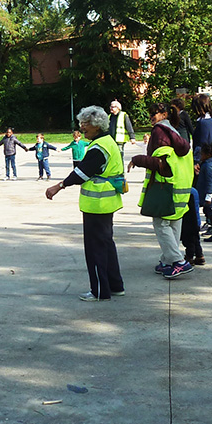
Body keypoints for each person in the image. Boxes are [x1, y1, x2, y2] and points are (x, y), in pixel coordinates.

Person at [45, 106, 125, 301]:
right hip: (107, 203)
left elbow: (81, 173)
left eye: (85, 124)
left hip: (97, 205)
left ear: (96, 126)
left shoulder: (98, 147)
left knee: (95, 248)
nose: (82, 128)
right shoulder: (108, 141)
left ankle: (99, 291)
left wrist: (59, 186)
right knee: (106, 244)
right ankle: (115, 286)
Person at [127, 102, 194, 280]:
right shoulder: (175, 131)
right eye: (150, 114)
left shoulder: (159, 132)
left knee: (161, 223)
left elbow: (161, 164)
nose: (151, 117)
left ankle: (178, 262)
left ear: (164, 114)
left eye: (154, 113)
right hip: (181, 186)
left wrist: (138, 159)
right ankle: (167, 260)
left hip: (166, 186)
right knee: (174, 223)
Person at [108, 100, 136, 169]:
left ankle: (121, 173)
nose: (111, 108)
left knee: (119, 157)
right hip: (111, 141)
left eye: (113, 107)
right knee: (111, 158)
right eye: (110, 106)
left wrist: (132, 137)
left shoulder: (123, 115)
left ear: (118, 108)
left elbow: (129, 126)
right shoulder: (109, 116)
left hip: (119, 140)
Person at [191, 93, 212, 161]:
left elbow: (201, 145)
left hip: (204, 159)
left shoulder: (202, 123)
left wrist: (197, 161)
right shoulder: (210, 120)